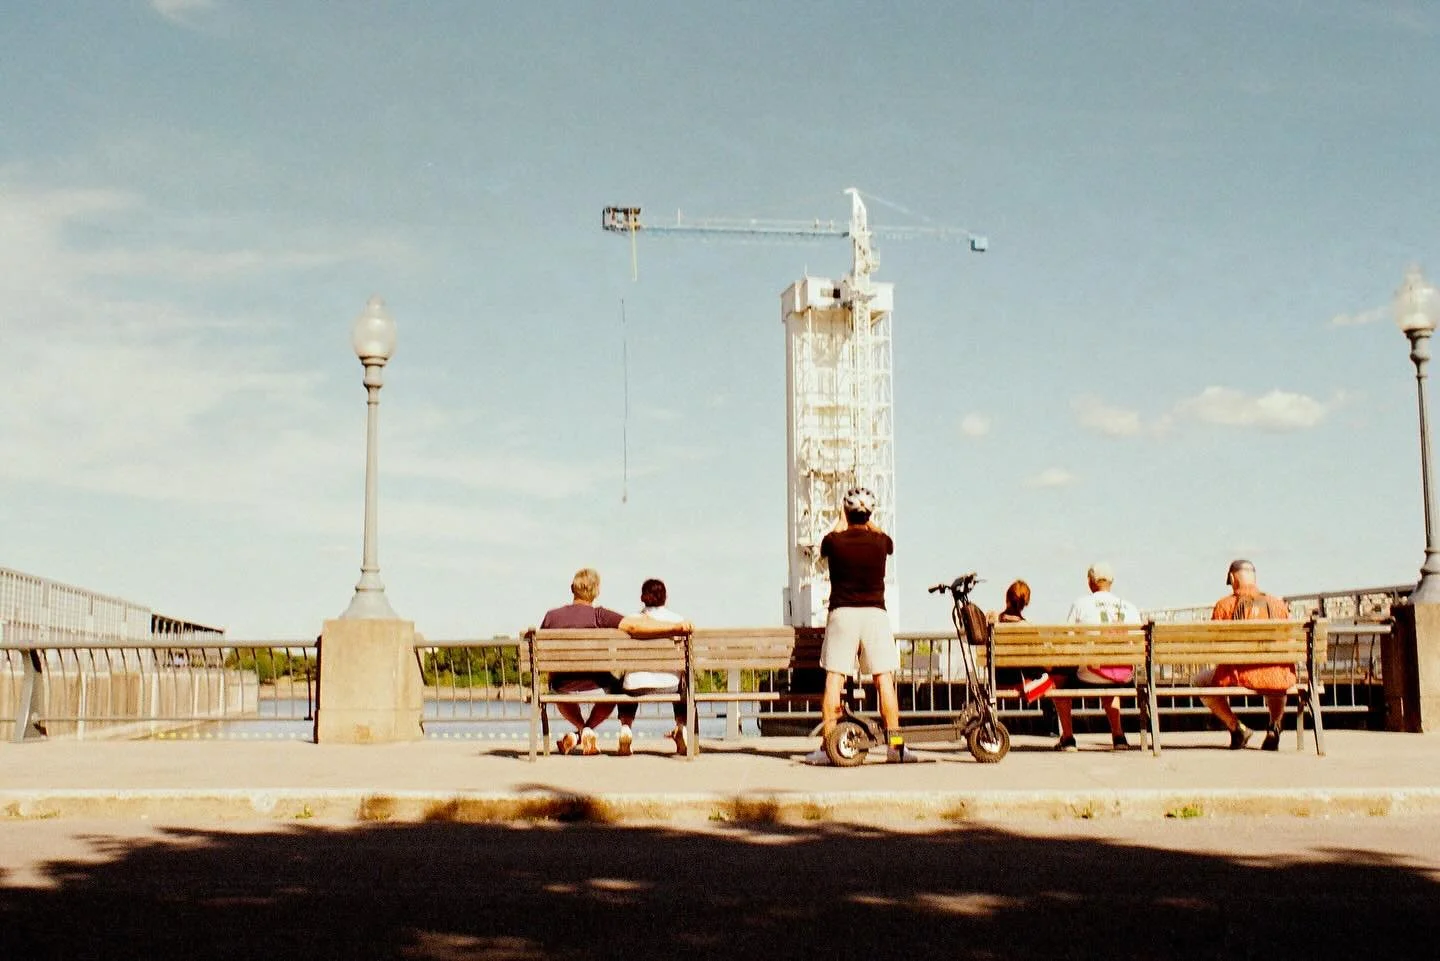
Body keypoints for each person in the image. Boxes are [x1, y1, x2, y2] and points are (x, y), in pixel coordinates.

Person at [805, 486, 916, 765]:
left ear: (846, 511)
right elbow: (885, 539)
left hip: (842, 613)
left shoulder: (834, 541)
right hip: (875, 614)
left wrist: (841, 519)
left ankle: (829, 748)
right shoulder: (881, 542)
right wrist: (869, 520)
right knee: (884, 680)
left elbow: (827, 542)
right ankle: (896, 747)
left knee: (834, 680)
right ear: (869, 513)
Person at [539, 568, 692, 756]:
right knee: (617, 688)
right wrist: (675, 627)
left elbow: (543, 654)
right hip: (598, 686)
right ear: (597, 591)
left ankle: (582, 731)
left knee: (558, 689)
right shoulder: (600, 615)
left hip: (562, 687)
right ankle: (585, 730)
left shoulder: (551, 616)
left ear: (572, 588)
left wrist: (553, 679)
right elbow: (634, 626)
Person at [1195, 559, 1294, 751]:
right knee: (1277, 676)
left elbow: (1214, 645)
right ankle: (1274, 725)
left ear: (1233, 578)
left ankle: (1237, 727)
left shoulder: (1224, 606)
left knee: (1200, 681)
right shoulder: (1278, 605)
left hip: (1237, 676)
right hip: (1275, 675)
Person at [1051, 562, 1141, 751]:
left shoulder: (1081, 605)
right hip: (1123, 676)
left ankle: (1068, 738)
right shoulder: (1130, 607)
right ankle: (1118, 736)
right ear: (1111, 582)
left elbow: (1069, 641)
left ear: (1091, 582)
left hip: (1090, 674)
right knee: (1110, 676)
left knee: (1059, 679)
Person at [618, 578, 690, 755]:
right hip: (670, 685)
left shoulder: (632, 621)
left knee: (623, 681)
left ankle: (626, 727)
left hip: (635, 685)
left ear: (642, 597)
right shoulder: (678, 621)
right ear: (665, 597)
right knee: (685, 684)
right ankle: (681, 726)